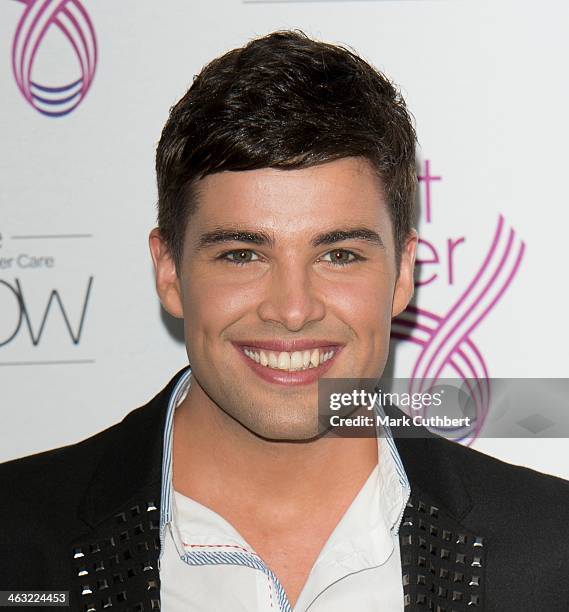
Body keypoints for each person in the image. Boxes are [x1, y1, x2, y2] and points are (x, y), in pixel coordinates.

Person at [1, 29, 568, 612]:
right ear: (169, 272)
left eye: (339, 255)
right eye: (242, 254)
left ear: (402, 274)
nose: (293, 309)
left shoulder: (551, 551)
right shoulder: (16, 541)